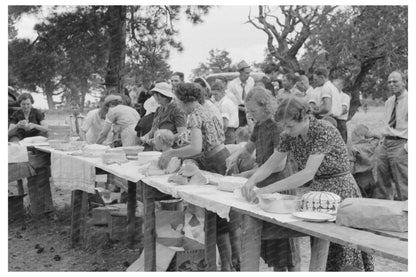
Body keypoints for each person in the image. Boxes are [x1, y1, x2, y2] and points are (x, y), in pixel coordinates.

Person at [242, 97, 374, 271]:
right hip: (318, 193)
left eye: (290, 126)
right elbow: (271, 163)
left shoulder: (323, 130)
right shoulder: (290, 135)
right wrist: (252, 180)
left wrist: (267, 189)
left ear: (305, 118)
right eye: (284, 126)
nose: (287, 130)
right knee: (322, 249)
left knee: (345, 251)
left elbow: (307, 173)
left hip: (341, 190)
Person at [158, 83, 241, 271]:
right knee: (230, 219)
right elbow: (204, 141)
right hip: (221, 157)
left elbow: (196, 148)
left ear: (183, 99)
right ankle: (234, 264)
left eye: (177, 99)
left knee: (220, 218)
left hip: (215, 162)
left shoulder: (194, 115)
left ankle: (229, 266)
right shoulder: (207, 109)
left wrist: (171, 153)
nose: (176, 103)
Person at [226, 87, 300, 271]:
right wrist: (235, 155)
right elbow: (249, 148)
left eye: (253, 111)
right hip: (264, 184)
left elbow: (279, 165)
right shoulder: (259, 124)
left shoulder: (277, 126)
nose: (250, 115)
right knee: (272, 247)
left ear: (265, 106)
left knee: (285, 245)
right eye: (248, 111)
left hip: (280, 186)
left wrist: (248, 174)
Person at [373, 71, 408, 201]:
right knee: (382, 176)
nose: (392, 84)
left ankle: (406, 211)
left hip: (401, 143)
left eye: (395, 81)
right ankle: (384, 208)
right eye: (389, 82)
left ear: (404, 82)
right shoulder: (389, 102)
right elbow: (386, 123)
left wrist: (407, 147)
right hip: (386, 142)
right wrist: (382, 140)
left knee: (402, 179)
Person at [139, 82, 187, 149]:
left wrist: (162, 140)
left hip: (173, 149)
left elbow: (182, 133)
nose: (153, 96)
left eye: (154, 94)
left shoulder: (177, 110)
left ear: (159, 95)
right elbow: (153, 129)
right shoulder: (159, 109)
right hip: (159, 149)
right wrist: (146, 137)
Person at [227, 60, 255, 126]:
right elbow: (229, 100)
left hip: (249, 109)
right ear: (240, 72)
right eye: (246, 73)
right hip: (238, 111)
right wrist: (239, 108)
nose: (248, 75)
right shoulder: (232, 84)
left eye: (249, 73)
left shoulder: (251, 81)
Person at [211, 80, 239, 144]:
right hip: (228, 132)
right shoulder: (221, 102)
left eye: (216, 94)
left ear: (222, 92)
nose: (214, 97)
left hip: (227, 132)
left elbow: (225, 123)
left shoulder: (225, 104)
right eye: (213, 94)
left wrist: (220, 136)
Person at [332, 78, 350, 142]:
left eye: (334, 86)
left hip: (340, 123)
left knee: (342, 142)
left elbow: (343, 109)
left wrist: (333, 112)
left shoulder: (345, 97)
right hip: (332, 121)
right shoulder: (332, 97)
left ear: (341, 86)